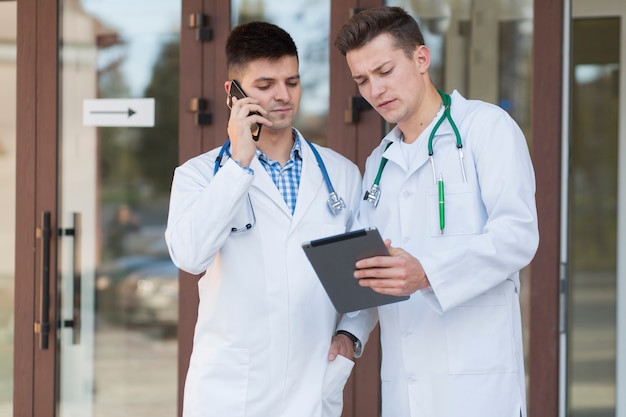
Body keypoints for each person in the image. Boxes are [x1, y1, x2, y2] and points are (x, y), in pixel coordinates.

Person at [333, 6, 539, 417]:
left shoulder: (485, 128)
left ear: (421, 59)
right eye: (362, 80)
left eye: (385, 71)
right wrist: (348, 335)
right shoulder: (378, 164)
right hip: (404, 393)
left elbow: (517, 237)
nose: (375, 90)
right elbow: (371, 271)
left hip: (479, 389)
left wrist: (427, 272)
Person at [165, 21, 367, 417]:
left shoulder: (340, 174)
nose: (282, 96)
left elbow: (361, 277)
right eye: (265, 85)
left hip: (313, 387)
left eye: (291, 82)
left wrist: (350, 334)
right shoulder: (199, 175)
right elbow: (190, 256)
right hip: (230, 392)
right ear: (233, 94)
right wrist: (238, 164)